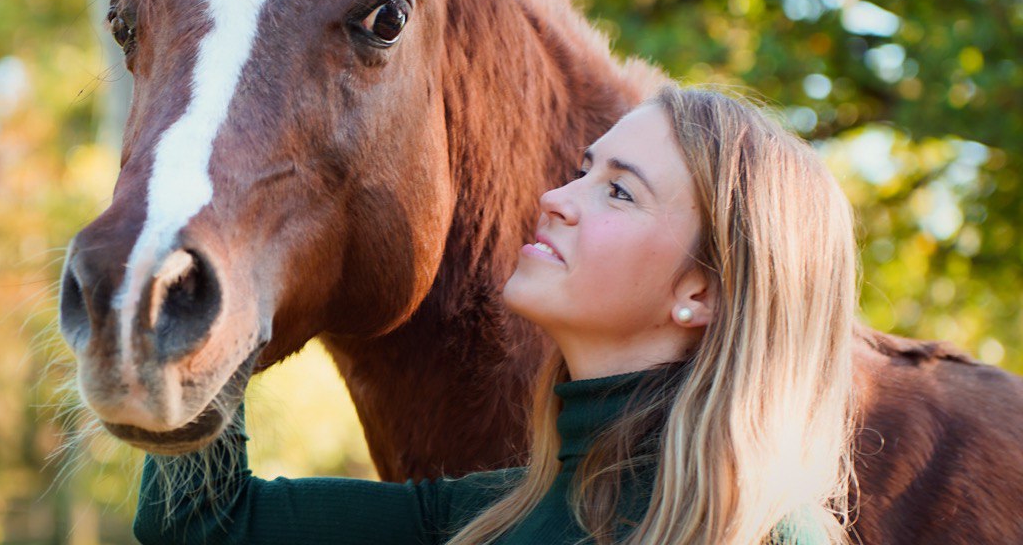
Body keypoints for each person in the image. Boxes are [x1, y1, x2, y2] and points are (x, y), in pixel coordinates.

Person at [132, 84, 858, 545]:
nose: (556, 199)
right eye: (584, 171)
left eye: (619, 192)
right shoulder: (483, 519)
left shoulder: (770, 533)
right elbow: (200, 521)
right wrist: (226, 243)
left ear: (701, 294)